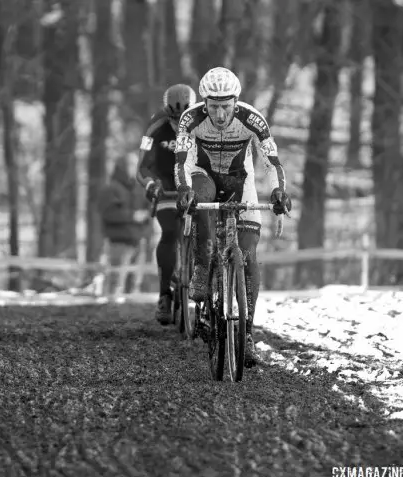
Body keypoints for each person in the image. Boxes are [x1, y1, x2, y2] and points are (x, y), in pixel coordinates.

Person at [174, 67, 292, 367]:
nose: (221, 114)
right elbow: (182, 163)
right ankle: (202, 267)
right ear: (205, 103)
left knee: (249, 255)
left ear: (236, 102)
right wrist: (184, 190)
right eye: (214, 107)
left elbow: (271, 161)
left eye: (226, 106)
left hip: (241, 181)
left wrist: (278, 192)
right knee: (200, 201)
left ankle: (247, 333)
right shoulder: (191, 118)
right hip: (204, 175)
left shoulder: (252, 119)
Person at [135, 83, 197, 324]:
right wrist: (151, 185)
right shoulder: (155, 126)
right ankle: (164, 294)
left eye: (182, 121)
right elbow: (141, 166)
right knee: (170, 231)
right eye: (173, 120)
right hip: (166, 187)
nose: (176, 126)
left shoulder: (203, 123)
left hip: (191, 185)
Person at [100, 153, 151, 295]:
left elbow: (148, 210)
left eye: (136, 165)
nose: (134, 168)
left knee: (134, 285)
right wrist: (133, 216)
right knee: (115, 283)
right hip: (119, 244)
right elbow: (109, 214)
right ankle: (108, 314)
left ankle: (129, 315)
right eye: (131, 165)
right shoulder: (111, 189)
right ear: (122, 167)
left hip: (138, 242)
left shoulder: (139, 188)